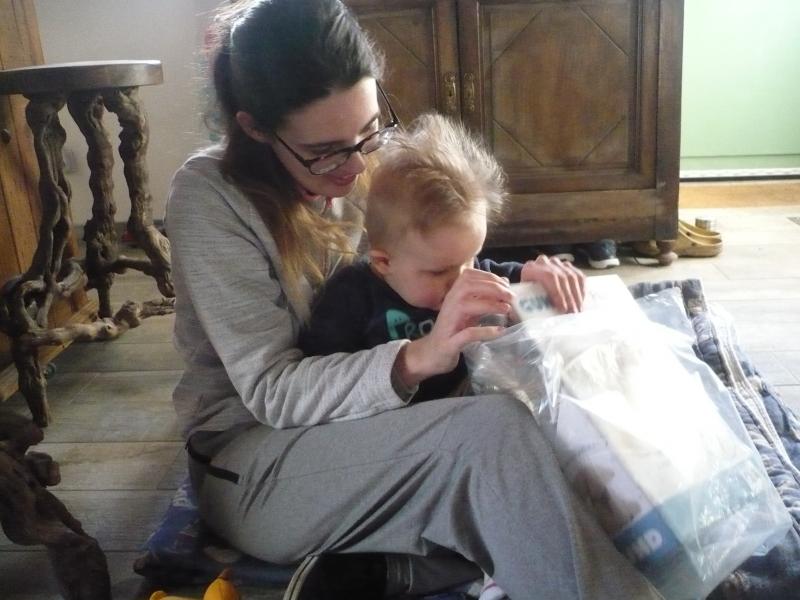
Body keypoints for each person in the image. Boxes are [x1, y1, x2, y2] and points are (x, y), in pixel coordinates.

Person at [165, 0, 664, 598]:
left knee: (559, 412)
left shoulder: (366, 164)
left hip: (381, 430)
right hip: (256, 463)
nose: (357, 164)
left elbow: (437, 265)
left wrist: (525, 282)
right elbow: (273, 393)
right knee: (492, 438)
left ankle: (392, 573)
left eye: (369, 129)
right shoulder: (210, 199)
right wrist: (418, 358)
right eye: (326, 150)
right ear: (253, 128)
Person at [299, 113, 571, 404]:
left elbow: (511, 279)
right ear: (384, 262)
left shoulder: (463, 270)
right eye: (440, 272)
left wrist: (537, 278)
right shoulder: (347, 300)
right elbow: (325, 386)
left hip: (466, 397)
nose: (462, 280)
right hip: (396, 417)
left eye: (471, 258)